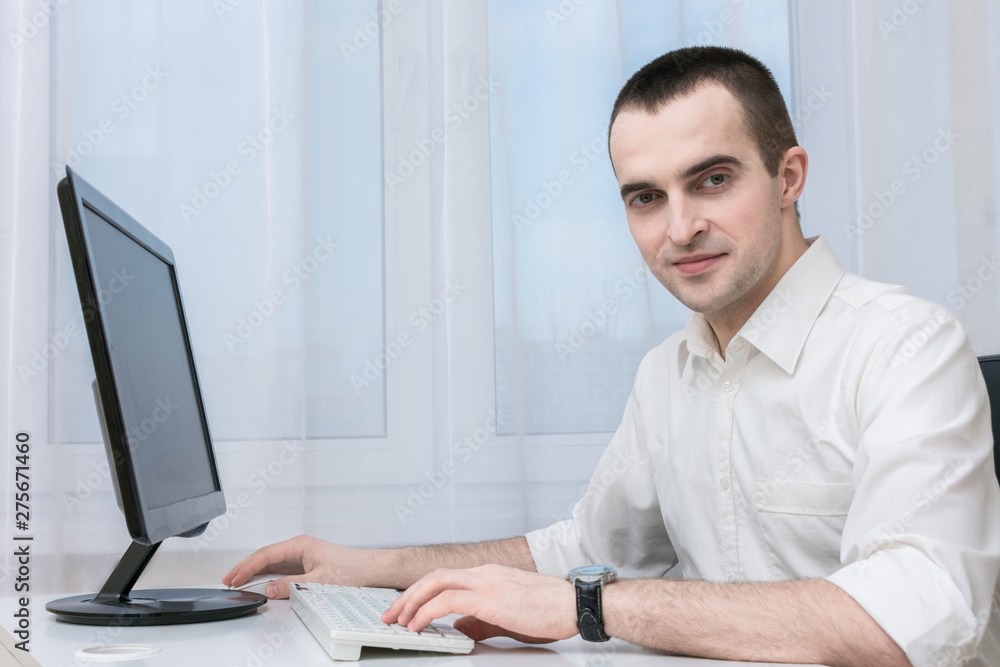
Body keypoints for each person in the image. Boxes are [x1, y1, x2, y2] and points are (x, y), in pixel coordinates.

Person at [224, 46, 1000, 666]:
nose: (680, 227)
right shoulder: (668, 372)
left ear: (788, 175)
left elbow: (916, 622)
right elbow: (581, 549)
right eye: (646, 196)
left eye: (714, 179)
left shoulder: (906, 346)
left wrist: (587, 607)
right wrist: (375, 566)